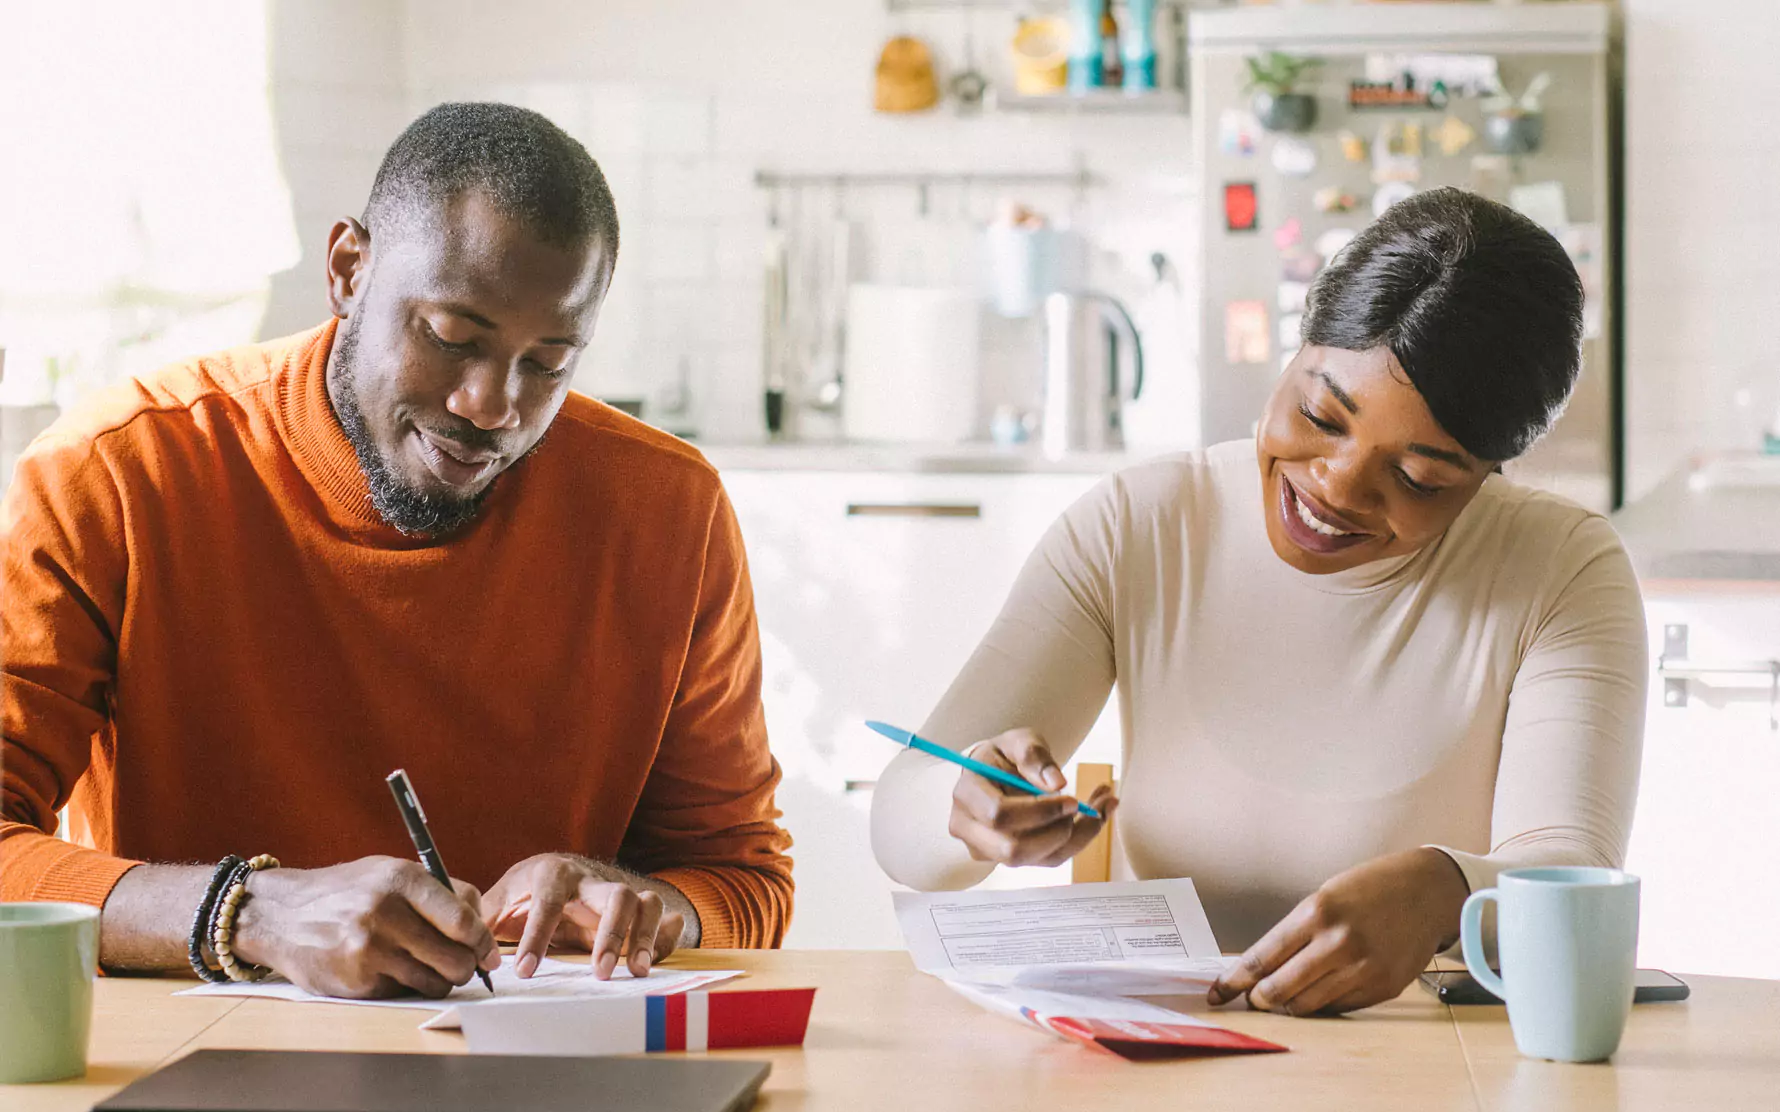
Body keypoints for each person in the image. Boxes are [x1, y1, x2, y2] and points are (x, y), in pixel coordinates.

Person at [0, 103, 792, 999]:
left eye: (549, 363)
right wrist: (253, 914)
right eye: (453, 338)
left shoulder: (668, 508)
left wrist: (643, 904)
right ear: (348, 269)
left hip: (538, 1070)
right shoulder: (114, 472)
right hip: (198, 1069)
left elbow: (743, 879)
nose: (492, 405)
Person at [871, 188, 1646, 1017]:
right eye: (1320, 413)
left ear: (1490, 473)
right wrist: (965, 809)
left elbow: (1572, 872)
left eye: (1418, 477)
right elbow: (899, 823)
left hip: (1427, 1075)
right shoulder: (1144, 523)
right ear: (1298, 345)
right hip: (1158, 1066)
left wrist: (1447, 891)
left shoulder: (1560, 570)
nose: (1335, 485)